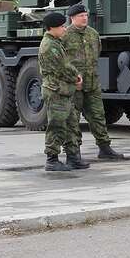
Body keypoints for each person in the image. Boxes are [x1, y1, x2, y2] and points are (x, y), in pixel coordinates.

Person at [64, 2, 125, 160]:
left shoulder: (93, 34)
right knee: (72, 119)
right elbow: (61, 61)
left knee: (98, 116)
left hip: (92, 84)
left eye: (86, 16)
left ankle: (104, 148)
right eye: (81, 16)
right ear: (72, 18)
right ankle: (74, 152)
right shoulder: (64, 36)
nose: (84, 18)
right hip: (73, 85)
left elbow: (97, 53)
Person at [38, 12, 90, 172]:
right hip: (56, 91)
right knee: (57, 125)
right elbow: (63, 68)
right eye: (61, 26)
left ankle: (73, 158)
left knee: (71, 124)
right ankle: (52, 159)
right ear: (52, 28)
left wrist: (76, 76)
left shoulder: (56, 42)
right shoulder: (50, 46)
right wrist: (76, 77)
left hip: (64, 91)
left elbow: (67, 64)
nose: (64, 29)